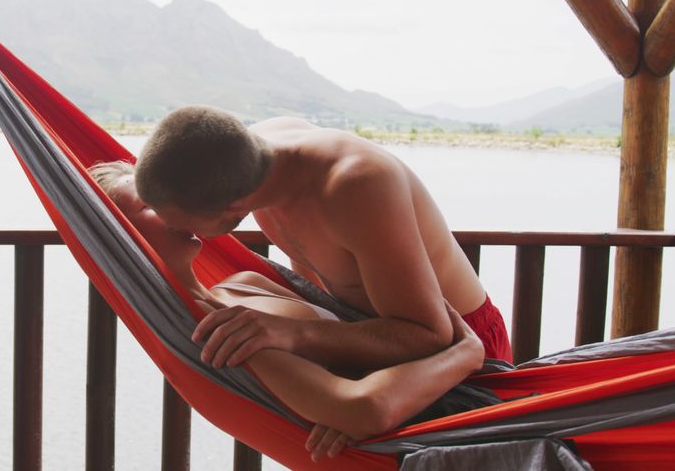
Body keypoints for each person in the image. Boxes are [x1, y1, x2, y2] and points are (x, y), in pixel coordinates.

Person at [89, 161, 486, 461]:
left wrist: (341, 415)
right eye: (149, 204)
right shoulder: (217, 331)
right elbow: (366, 408)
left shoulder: (246, 283)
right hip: (415, 446)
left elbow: (360, 354)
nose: (174, 206)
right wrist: (464, 355)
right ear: (121, 239)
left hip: (436, 414)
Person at [134, 106, 512, 370]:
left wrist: (290, 333)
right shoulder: (254, 158)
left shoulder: (355, 185)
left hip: (463, 348)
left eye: (187, 227)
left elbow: (430, 334)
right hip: (370, 340)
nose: (188, 237)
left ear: (235, 207)